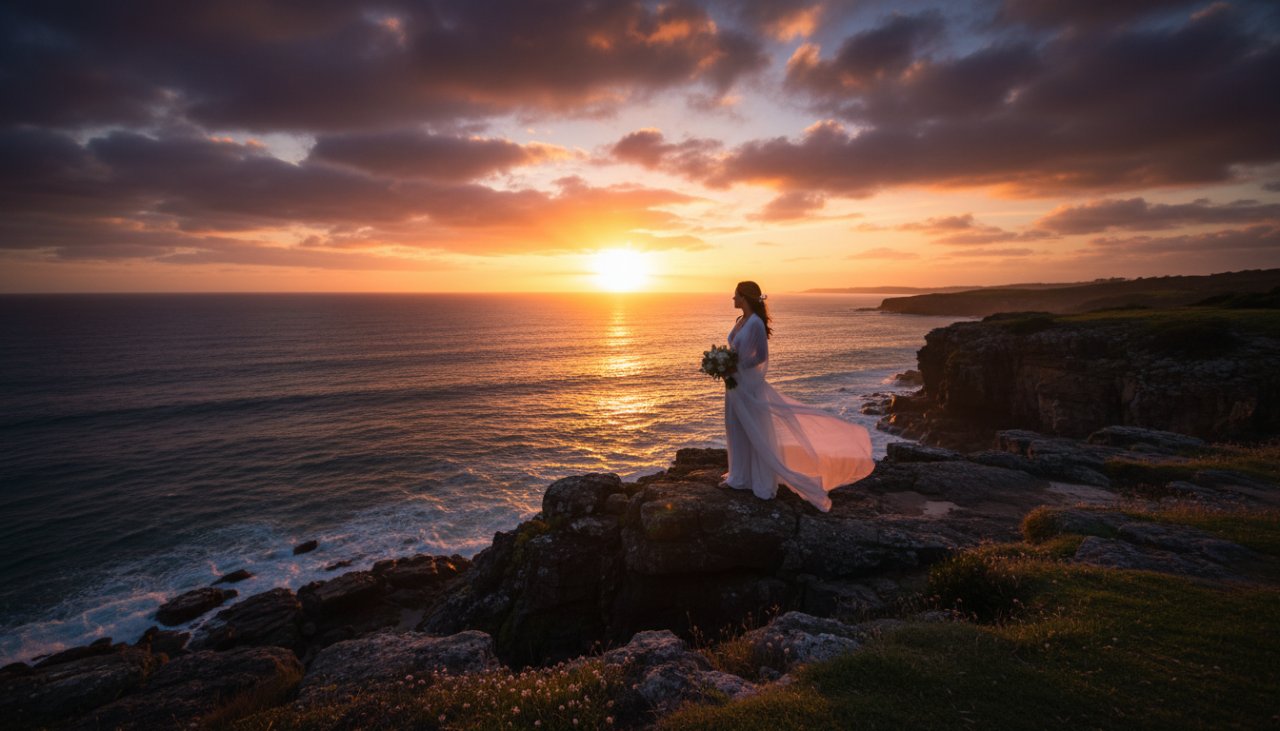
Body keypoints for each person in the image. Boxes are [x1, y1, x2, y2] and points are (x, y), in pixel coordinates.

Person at [719, 281, 874, 512]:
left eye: (735, 295)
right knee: (735, 427)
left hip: (746, 385)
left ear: (744, 297)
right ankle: (740, 475)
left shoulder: (755, 323)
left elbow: (760, 356)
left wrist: (734, 365)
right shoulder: (740, 321)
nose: (732, 299)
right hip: (735, 385)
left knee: (753, 430)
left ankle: (754, 480)